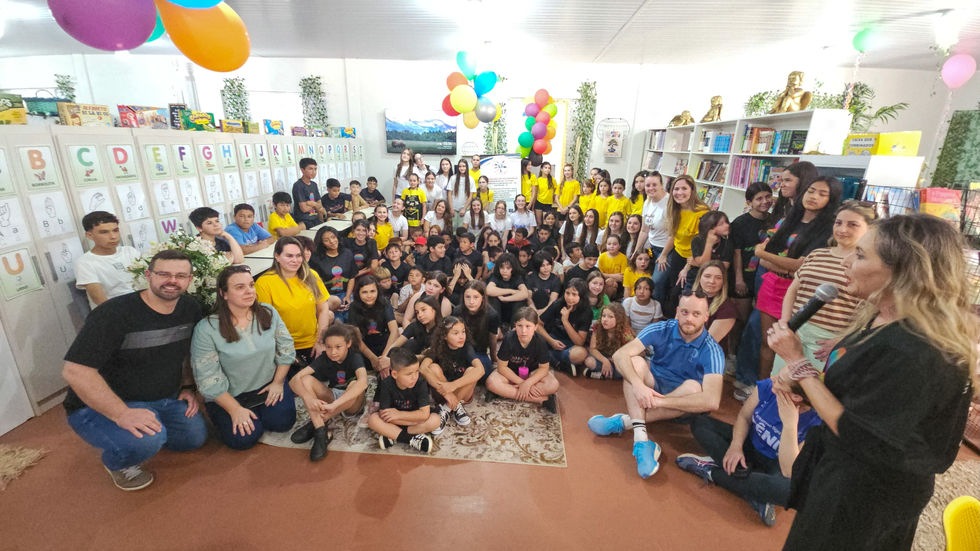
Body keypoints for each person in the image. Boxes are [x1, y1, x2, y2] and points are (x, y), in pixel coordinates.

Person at [767, 214, 977, 550]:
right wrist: (806, 387)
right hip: (844, 473)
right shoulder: (881, 319)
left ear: (903, 272)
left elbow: (858, 431)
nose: (848, 261)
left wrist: (798, 364)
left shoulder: (916, 350)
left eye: (862, 256)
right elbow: (864, 393)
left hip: (867, 493)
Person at [62, 250, 207, 491]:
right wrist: (121, 414)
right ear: (148, 275)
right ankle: (117, 462)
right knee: (146, 441)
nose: (172, 281)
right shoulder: (114, 314)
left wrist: (188, 386)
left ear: (190, 280)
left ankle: (149, 425)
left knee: (192, 439)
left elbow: (186, 353)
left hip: (163, 398)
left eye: (180, 275)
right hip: (106, 404)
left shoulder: (190, 308)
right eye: (163, 274)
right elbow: (75, 371)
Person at [588, 290, 724, 478]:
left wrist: (659, 402)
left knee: (694, 387)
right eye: (685, 312)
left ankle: (623, 422)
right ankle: (642, 441)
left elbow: (711, 401)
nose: (689, 319)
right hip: (653, 385)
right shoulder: (662, 329)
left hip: (679, 403)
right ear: (677, 311)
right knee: (635, 362)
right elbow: (620, 355)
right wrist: (638, 385)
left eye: (696, 314)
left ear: (706, 317)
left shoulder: (712, 350)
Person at [676, 379, 822, 527]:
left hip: (777, 464)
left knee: (792, 490)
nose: (774, 382)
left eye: (780, 382)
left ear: (796, 397)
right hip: (748, 446)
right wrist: (736, 446)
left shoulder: (816, 423)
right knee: (699, 423)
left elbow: (791, 469)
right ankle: (756, 492)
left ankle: (712, 472)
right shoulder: (767, 386)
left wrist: (790, 424)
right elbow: (744, 417)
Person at [190, 265, 296, 451]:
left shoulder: (268, 313)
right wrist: (234, 409)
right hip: (230, 395)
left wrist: (278, 382)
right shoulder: (207, 329)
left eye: (251, 285)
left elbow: (286, 349)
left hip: (268, 385)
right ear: (224, 293)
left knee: (282, 424)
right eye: (240, 287)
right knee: (244, 439)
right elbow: (207, 378)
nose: (249, 291)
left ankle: (263, 411)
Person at [771, 200, 875, 375]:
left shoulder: (866, 264)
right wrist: (785, 323)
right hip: (794, 331)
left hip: (828, 341)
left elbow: (870, 311)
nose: (842, 229)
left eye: (852, 225)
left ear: (869, 230)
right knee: (778, 383)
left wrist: (843, 340)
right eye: (838, 223)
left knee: (810, 392)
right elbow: (793, 290)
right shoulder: (817, 254)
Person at [755, 176, 841, 379]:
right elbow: (767, 263)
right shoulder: (789, 220)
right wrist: (776, 262)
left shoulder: (828, 228)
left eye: (822, 193)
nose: (814, 196)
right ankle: (762, 389)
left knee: (790, 345)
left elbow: (801, 265)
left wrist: (762, 253)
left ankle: (784, 389)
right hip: (771, 284)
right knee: (768, 342)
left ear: (831, 199)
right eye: (811, 190)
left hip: (799, 290)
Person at [289, 324, 369, 461]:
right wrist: (309, 398)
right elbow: (294, 380)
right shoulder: (325, 357)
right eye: (328, 347)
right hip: (333, 395)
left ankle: (318, 420)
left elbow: (364, 382)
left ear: (348, 344)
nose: (333, 352)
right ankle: (321, 432)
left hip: (352, 403)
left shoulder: (354, 356)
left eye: (338, 347)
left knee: (355, 384)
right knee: (306, 379)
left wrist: (334, 406)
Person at [255, 237, 334, 370]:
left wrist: (320, 341)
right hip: (283, 347)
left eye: (299, 256)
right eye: (289, 256)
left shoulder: (312, 276)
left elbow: (323, 309)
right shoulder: (264, 283)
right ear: (277, 256)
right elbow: (265, 323)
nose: (295, 260)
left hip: (313, 343)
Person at [486, 307, 560, 413]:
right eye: (519, 326)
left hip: (532, 374)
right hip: (511, 373)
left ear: (535, 327)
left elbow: (544, 368)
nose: (523, 331)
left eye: (528, 326)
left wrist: (528, 383)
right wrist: (521, 383)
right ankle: (542, 400)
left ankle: (504, 392)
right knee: (491, 383)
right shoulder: (509, 339)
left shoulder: (540, 341)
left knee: (553, 385)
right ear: (515, 326)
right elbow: (502, 367)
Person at [368, 347, 440, 454]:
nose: (414, 377)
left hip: (404, 419)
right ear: (395, 374)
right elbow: (385, 415)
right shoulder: (387, 383)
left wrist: (399, 414)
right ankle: (411, 439)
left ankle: (393, 435)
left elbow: (424, 415)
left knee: (435, 420)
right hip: (407, 421)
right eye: (409, 374)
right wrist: (413, 418)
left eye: (416, 371)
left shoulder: (420, 382)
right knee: (373, 420)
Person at [420, 316, 484, 435]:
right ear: (444, 336)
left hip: (463, 394)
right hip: (442, 393)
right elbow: (422, 368)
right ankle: (453, 405)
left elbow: (481, 370)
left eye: (463, 332)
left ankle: (446, 408)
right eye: (455, 333)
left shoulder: (467, 347)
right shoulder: (436, 348)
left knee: (472, 370)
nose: (461, 336)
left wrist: (453, 386)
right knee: (433, 367)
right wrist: (447, 393)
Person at [657, 175, 710, 315]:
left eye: (684, 188)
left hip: (695, 259)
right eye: (676, 189)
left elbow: (702, 245)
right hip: (678, 255)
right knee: (672, 290)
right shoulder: (675, 209)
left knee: (683, 294)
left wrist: (687, 268)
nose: (679, 192)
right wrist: (663, 255)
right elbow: (673, 236)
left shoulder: (702, 212)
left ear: (692, 190)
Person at [75, 211, 142, 310]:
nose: (113, 237)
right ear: (89, 235)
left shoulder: (130, 252)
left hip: (141, 306)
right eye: (104, 232)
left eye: (115, 230)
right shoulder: (85, 262)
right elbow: (99, 300)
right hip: (113, 312)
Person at [536, 279, 592, 371]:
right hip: (553, 338)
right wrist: (551, 341)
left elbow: (580, 342)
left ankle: (551, 357)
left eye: (574, 294)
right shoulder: (558, 304)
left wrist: (565, 321)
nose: (569, 297)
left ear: (581, 296)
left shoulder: (586, 312)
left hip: (571, 345)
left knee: (582, 353)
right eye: (567, 293)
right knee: (532, 338)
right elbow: (538, 324)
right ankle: (558, 362)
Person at [347, 274, 398, 371]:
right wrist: (372, 358)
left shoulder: (384, 303)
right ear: (358, 293)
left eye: (372, 291)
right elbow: (356, 338)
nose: (369, 296)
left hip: (384, 344)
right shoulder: (353, 307)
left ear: (378, 291)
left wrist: (384, 357)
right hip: (364, 347)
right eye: (364, 292)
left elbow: (394, 331)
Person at [453, 280, 500, 380]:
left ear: (482, 298)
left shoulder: (492, 315)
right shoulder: (457, 311)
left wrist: (493, 357)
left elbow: (492, 338)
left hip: (479, 351)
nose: (471, 302)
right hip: (460, 349)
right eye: (468, 297)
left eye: (476, 297)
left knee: (485, 375)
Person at [640, 172, 671, 304]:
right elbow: (644, 229)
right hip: (652, 248)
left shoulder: (669, 202)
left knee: (656, 282)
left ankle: (657, 314)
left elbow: (673, 234)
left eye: (654, 185)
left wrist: (664, 255)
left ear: (662, 185)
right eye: (648, 185)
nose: (651, 188)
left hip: (667, 250)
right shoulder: (647, 202)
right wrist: (637, 250)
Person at [683, 211, 733, 291]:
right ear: (710, 228)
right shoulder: (697, 240)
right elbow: (703, 263)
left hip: (715, 283)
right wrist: (709, 244)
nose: (727, 225)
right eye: (721, 224)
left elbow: (723, 267)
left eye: (727, 222)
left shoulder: (727, 243)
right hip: (695, 279)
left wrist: (697, 263)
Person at [583, 303, 635, 379]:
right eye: (603, 316)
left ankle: (602, 375)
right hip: (603, 355)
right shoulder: (598, 327)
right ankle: (609, 374)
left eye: (610, 317)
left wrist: (617, 358)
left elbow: (636, 352)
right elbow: (592, 349)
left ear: (619, 319)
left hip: (618, 359)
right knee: (589, 361)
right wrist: (605, 361)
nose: (605, 319)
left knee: (622, 371)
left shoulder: (625, 333)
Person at [309, 226, 355, 310]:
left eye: (333, 237)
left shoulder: (347, 253)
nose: (332, 241)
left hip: (346, 293)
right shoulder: (316, 259)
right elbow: (315, 284)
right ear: (321, 243)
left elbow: (352, 277)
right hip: (327, 296)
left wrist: (347, 296)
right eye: (326, 240)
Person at [693, 260, 737, 345]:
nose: (712, 281)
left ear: (723, 282)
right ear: (699, 278)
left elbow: (706, 345)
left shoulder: (727, 309)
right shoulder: (687, 299)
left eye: (718, 278)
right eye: (707, 276)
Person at [486, 252, 529, 329]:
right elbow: (488, 290)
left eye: (508, 268)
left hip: (512, 310)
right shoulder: (496, 276)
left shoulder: (517, 277)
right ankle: (497, 329)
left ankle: (514, 329)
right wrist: (511, 291)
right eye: (502, 268)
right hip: (499, 311)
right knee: (492, 298)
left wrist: (505, 298)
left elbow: (525, 294)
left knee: (521, 301)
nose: (504, 271)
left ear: (513, 268)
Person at [292, 157, 326, 228]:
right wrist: (315, 205)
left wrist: (310, 203)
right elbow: (304, 209)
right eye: (310, 169)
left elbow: (320, 205)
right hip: (304, 221)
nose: (314, 172)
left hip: (316, 219)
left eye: (315, 169)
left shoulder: (314, 185)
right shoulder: (298, 185)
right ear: (302, 170)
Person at [598, 234, 628, 299]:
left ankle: (606, 302)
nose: (611, 246)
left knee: (610, 282)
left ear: (619, 246)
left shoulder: (623, 258)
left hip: (618, 284)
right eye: (609, 244)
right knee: (609, 282)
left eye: (614, 244)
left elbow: (621, 277)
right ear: (606, 245)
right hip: (604, 281)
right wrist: (614, 276)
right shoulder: (602, 256)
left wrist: (608, 276)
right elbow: (600, 274)